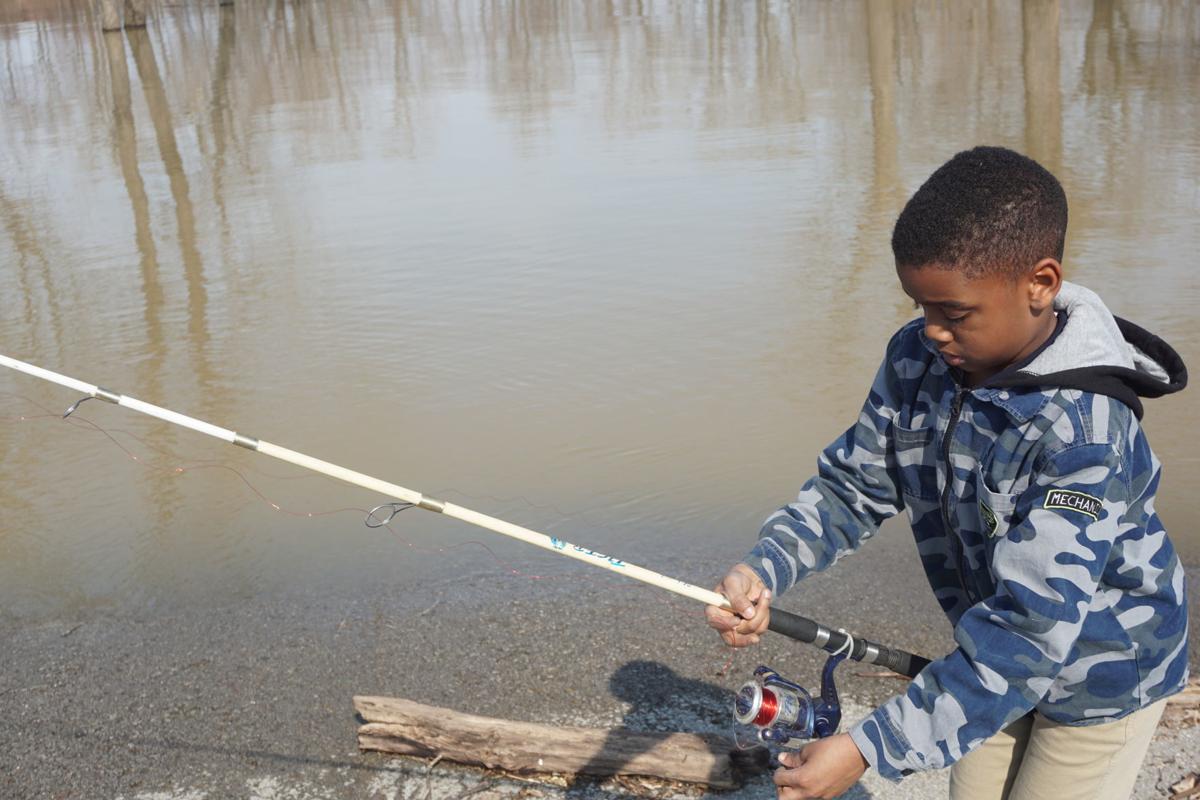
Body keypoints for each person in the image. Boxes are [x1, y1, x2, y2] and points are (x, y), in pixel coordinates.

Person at [705, 146, 1188, 800]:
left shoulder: (1084, 433)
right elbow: (856, 485)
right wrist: (766, 568)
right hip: (986, 652)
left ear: (1040, 284)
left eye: (954, 314)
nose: (930, 332)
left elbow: (1029, 631)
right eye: (919, 306)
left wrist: (867, 748)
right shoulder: (919, 361)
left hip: (1101, 677)